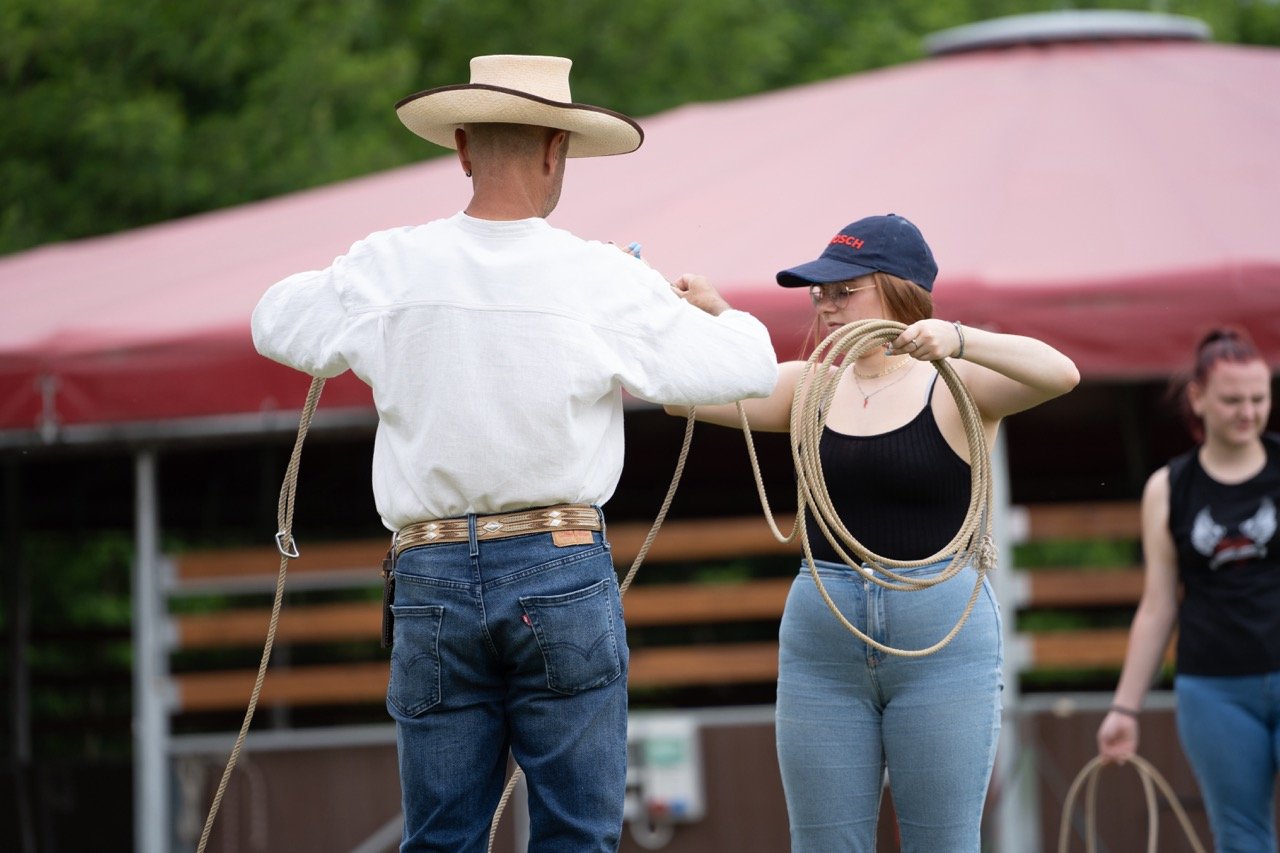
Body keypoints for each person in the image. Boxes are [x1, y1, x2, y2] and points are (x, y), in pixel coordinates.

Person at [251, 54, 778, 853]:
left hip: (428, 572)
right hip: (558, 563)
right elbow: (748, 366)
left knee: (441, 838)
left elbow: (274, 319)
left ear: (461, 148)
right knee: (576, 832)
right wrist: (719, 314)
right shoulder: (599, 275)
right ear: (554, 151)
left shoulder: (391, 264)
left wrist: (378, 312)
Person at [668, 213, 1080, 851]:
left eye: (844, 290)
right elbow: (683, 394)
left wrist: (959, 337)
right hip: (822, 641)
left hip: (942, 640)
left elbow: (1059, 373)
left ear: (898, 290)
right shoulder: (810, 385)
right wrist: (714, 315)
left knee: (942, 843)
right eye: (819, 294)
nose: (827, 307)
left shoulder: (958, 383)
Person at [1097, 327, 1278, 852]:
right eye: (1232, 400)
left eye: (1259, 398)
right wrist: (1124, 708)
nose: (1248, 411)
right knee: (1240, 837)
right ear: (1197, 398)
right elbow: (1157, 605)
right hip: (1215, 689)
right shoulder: (1169, 488)